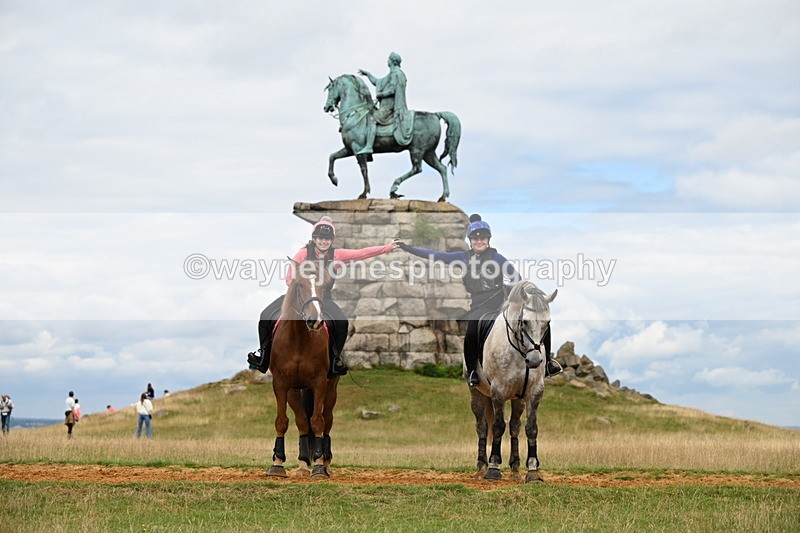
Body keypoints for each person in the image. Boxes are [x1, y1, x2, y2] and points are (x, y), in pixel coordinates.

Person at [397, 214, 562, 386]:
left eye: (482, 239)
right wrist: (407, 248)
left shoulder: (497, 258)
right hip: (480, 306)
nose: (479, 242)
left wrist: (514, 289)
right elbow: (435, 255)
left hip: (501, 303)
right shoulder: (462, 258)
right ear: (470, 241)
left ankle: (548, 362)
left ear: (488, 240)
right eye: (475, 239)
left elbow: (516, 277)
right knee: (472, 331)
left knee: (539, 320)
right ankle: (472, 371)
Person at [248, 216, 400, 376]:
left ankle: (335, 360)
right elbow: (289, 278)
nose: (323, 242)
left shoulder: (337, 255)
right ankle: (263, 357)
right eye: (320, 238)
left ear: (331, 240)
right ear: (314, 239)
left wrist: (388, 248)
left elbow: (361, 253)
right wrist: (302, 289)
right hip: (298, 296)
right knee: (265, 316)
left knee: (341, 323)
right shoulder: (302, 255)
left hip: (323, 299)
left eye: (327, 239)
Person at [357, 51, 414, 154]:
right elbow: (378, 82)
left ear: (392, 61)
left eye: (388, 59)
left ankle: (369, 147)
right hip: (387, 106)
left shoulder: (395, 73)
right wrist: (368, 74)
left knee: (372, 119)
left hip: (389, 107)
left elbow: (392, 90)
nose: (387, 61)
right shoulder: (393, 73)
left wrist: (381, 95)